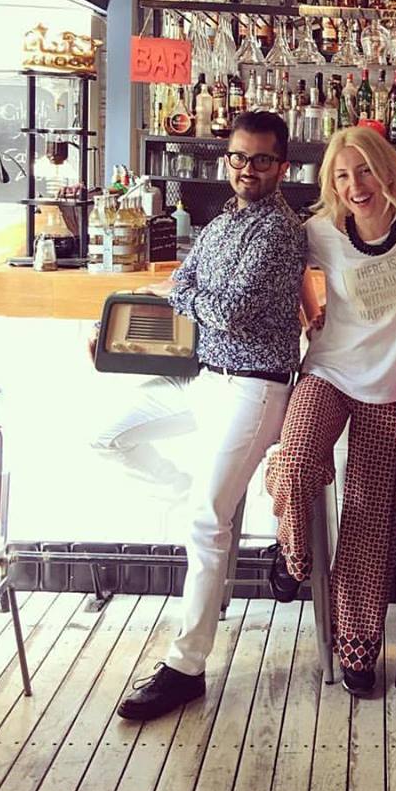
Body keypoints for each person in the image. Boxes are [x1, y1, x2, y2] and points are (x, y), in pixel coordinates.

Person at [95, 111, 306, 721]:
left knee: (209, 521)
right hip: (204, 379)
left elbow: (229, 311)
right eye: (238, 157)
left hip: (254, 390)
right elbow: (187, 282)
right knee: (108, 437)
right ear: (227, 159)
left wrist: (181, 295)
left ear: (282, 167)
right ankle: (198, 495)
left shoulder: (278, 231)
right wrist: (179, 295)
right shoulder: (224, 219)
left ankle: (186, 668)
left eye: (261, 159)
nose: (247, 168)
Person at [264, 126, 396, 695]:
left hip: (391, 386)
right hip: (330, 371)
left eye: (364, 171)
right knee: (295, 461)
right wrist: (309, 310)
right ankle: (292, 555)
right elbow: (281, 266)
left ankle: (358, 644)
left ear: (386, 171)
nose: (356, 185)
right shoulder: (319, 232)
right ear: (331, 185)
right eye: (342, 176)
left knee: (371, 517)